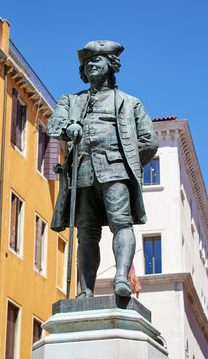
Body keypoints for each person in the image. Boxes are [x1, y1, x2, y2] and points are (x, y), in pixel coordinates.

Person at [46, 40, 158, 298]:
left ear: (112, 65)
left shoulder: (129, 103)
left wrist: (127, 162)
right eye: (87, 62)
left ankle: (121, 277)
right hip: (82, 172)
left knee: (122, 223)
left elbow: (149, 141)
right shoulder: (70, 101)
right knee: (86, 233)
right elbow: (54, 124)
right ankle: (85, 292)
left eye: (98, 59)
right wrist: (67, 128)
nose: (91, 63)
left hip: (116, 171)